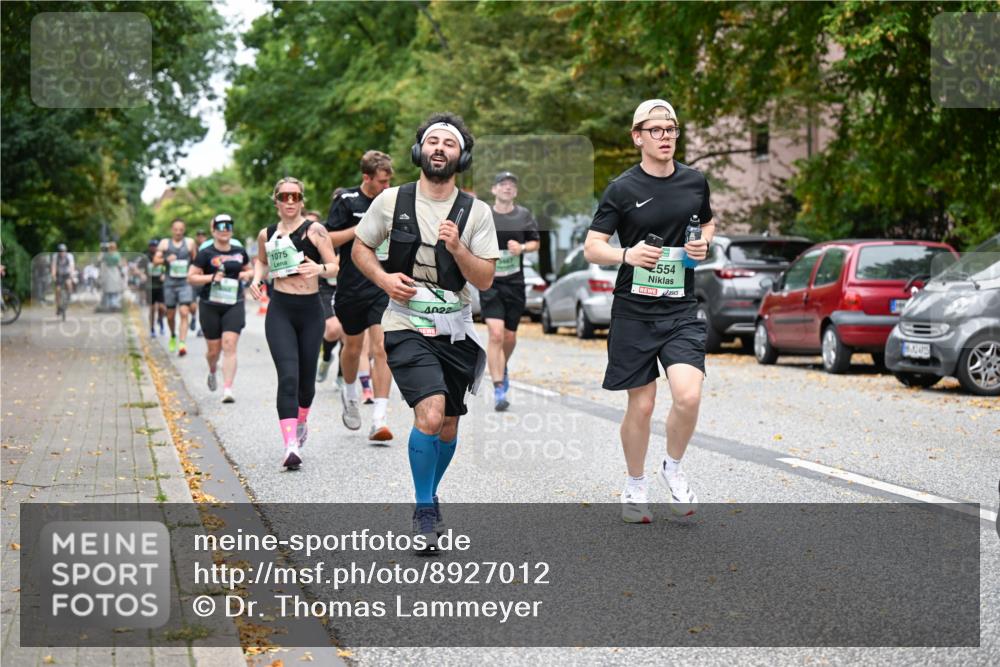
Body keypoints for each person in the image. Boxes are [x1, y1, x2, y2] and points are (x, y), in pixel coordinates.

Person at [353, 113, 498, 548]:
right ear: (419, 151)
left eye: (448, 144)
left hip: (454, 327)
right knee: (430, 413)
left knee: (449, 425)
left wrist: (457, 248)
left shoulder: (476, 212)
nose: (439, 148)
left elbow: (486, 278)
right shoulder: (391, 201)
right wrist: (383, 280)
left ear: (461, 156)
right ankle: (423, 510)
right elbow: (361, 247)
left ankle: (430, 492)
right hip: (403, 323)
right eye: (432, 141)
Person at [583, 99, 713, 524]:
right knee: (641, 406)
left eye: (671, 129)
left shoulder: (695, 182)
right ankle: (635, 483)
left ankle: (672, 468)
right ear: (637, 137)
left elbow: (707, 222)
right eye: (655, 130)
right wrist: (627, 254)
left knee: (689, 395)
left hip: (680, 310)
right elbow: (592, 247)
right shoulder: (622, 189)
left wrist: (703, 243)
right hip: (634, 312)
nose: (665, 137)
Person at [248, 177, 339, 469]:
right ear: (275, 201)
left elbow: (334, 265)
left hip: (310, 311)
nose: (289, 201)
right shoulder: (267, 233)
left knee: (306, 382)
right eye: (284, 196)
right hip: (281, 310)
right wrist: (256, 279)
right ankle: (290, 446)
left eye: (295, 196)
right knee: (287, 376)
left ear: (302, 201)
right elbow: (261, 261)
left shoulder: (315, 230)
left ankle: (301, 420)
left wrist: (319, 268)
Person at [325, 150, 395, 441]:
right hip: (351, 287)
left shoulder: (393, 203)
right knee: (353, 347)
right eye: (382, 181)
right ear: (366, 178)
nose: (387, 187)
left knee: (382, 347)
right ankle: (350, 393)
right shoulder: (347, 201)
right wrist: (360, 228)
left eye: (390, 180)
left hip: (381, 285)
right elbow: (328, 238)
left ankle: (379, 418)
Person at [480, 171, 540, 411]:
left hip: (514, 283)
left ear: (515, 192)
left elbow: (536, 243)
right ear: (494, 190)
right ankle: (498, 389)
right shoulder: (484, 215)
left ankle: (501, 365)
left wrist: (522, 247)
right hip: (490, 282)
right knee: (495, 334)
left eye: (511, 185)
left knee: (509, 337)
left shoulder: (523, 215)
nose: (507, 188)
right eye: (502, 184)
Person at [188, 214, 253, 404]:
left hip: (234, 303)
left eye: (228, 226)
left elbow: (250, 270)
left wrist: (245, 275)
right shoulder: (205, 253)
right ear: (213, 229)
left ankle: (227, 389)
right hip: (210, 304)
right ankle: (212, 369)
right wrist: (210, 278)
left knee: (229, 345)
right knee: (213, 351)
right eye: (220, 226)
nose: (224, 229)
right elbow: (191, 277)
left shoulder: (240, 251)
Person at [307, 208, 344, 386]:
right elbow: (330, 266)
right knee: (333, 328)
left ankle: (342, 375)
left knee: (350, 334)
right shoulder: (320, 237)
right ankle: (326, 358)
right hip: (325, 289)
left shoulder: (346, 234)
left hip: (348, 288)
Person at [157, 220, 197, 356]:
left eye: (181, 229)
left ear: (184, 229)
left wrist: (193, 275)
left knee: (184, 312)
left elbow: (196, 261)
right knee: (170, 315)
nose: (178, 232)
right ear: (172, 229)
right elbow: (155, 261)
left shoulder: (190, 243)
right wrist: (166, 259)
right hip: (169, 283)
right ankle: (173, 335)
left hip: (184, 283)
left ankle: (182, 343)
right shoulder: (164, 243)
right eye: (176, 229)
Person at [145, 239, 167, 336]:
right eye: (152, 246)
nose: (153, 248)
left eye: (155, 246)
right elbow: (137, 268)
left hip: (161, 285)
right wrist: (142, 274)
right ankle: (152, 329)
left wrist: (164, 275)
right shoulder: (145, 258)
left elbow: (166, 268)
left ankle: (161, 320)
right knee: (152, 309)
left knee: (162, 308)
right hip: (150, 286)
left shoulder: (162, 257)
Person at [51, 243, 75, 319]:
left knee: (69, 283)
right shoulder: (55, 256)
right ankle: (58, 307)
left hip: (66, 273)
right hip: (59, 274)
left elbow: (72, 267)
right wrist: (54, 276)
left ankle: (69, 296)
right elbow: (53, 267)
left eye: (63, 251)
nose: (62, 253)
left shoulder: (70, 256)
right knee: (57, 290)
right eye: (60, 251)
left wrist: (72, 275)